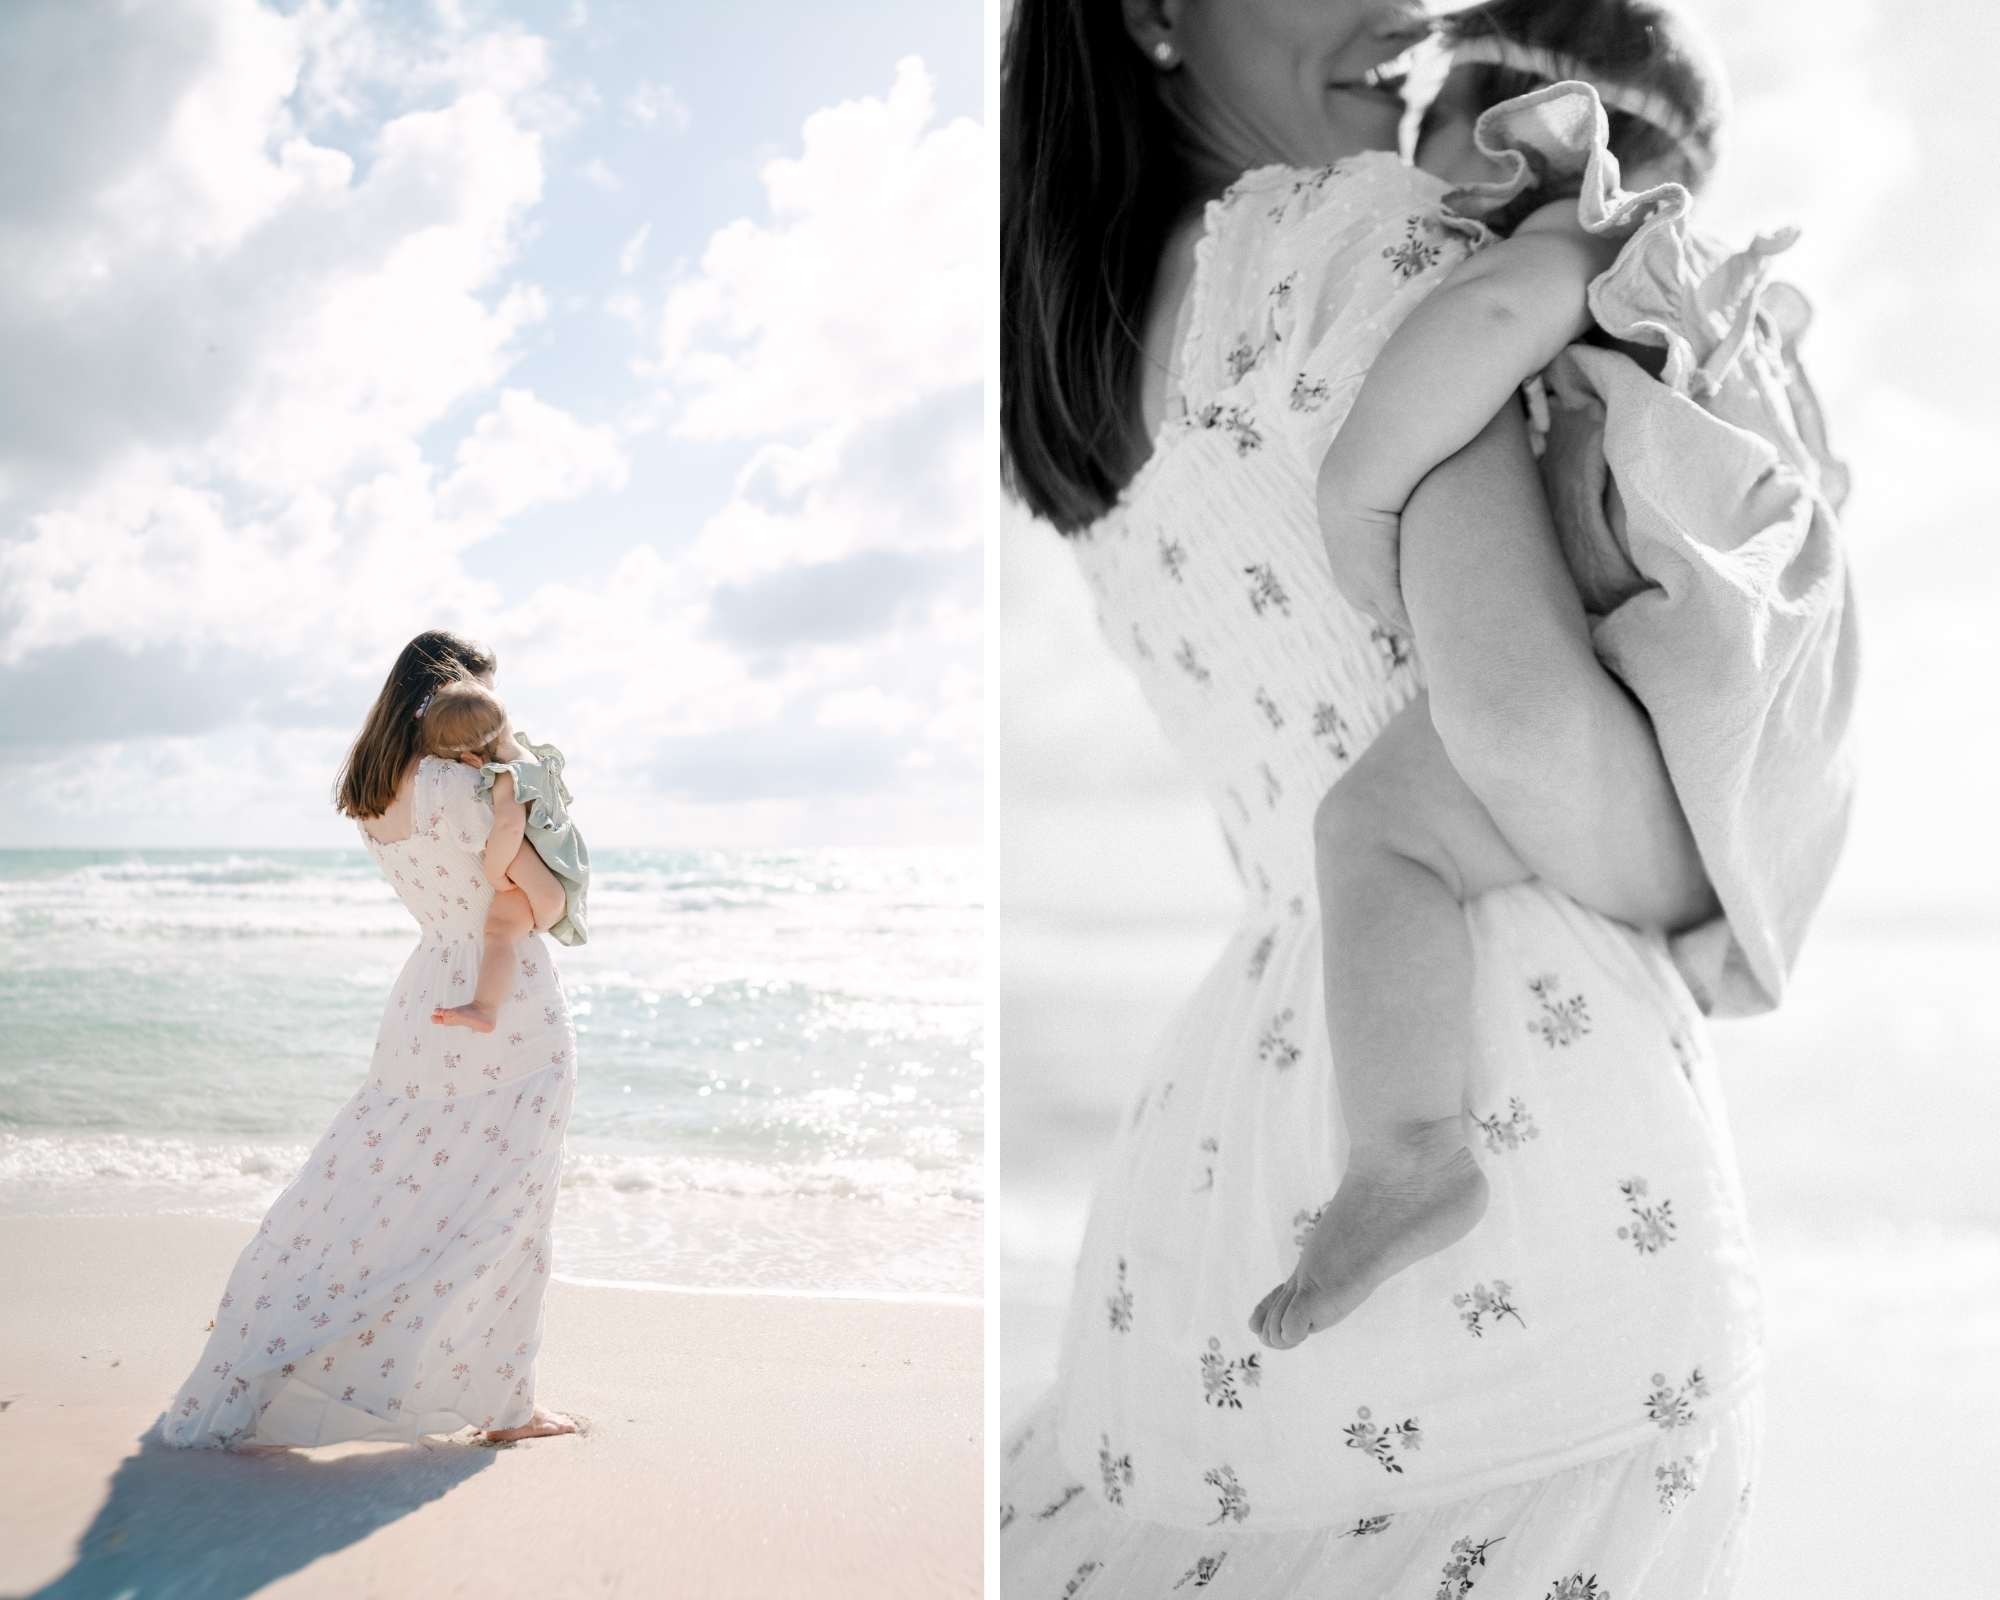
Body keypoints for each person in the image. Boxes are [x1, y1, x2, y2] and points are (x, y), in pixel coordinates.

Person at [999, 0, 1852, 1591]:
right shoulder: (1371, 249)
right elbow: (1523, 724)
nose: (1407, 8)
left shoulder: (1080, 367)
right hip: (1538, 1152)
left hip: (1224, 1154)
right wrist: (1704, 887)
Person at [1255, 0, 1853, 1347]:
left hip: (1638, 653)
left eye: (1429, 140)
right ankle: (1412, 1156)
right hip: (1715, 749)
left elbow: (1497, 304)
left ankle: (1411, 1145)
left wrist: (1363, 491)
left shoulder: (1580, 226)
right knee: (1414, 813)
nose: (1422, 185)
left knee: (1372, 830)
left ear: (1509, 130)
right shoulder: (1711, 323)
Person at [163, 631, 580, 1451]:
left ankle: (278, 1338)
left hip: (428, 989)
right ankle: (506, 1406)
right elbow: (546, 901)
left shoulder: (374, 789)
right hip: (511, 1008)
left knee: (374, 1183)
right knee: (508, 1203)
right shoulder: (468, 792)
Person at [420, 675, 590, 1034]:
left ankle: (485, 1006)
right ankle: (486, 1005)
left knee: (498, 936)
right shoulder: (530, 756)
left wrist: (496, 873)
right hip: (562, 870)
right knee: (504, 933)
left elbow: (509, 828)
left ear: (468, 757)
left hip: (546, 887)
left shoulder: (505, 776)